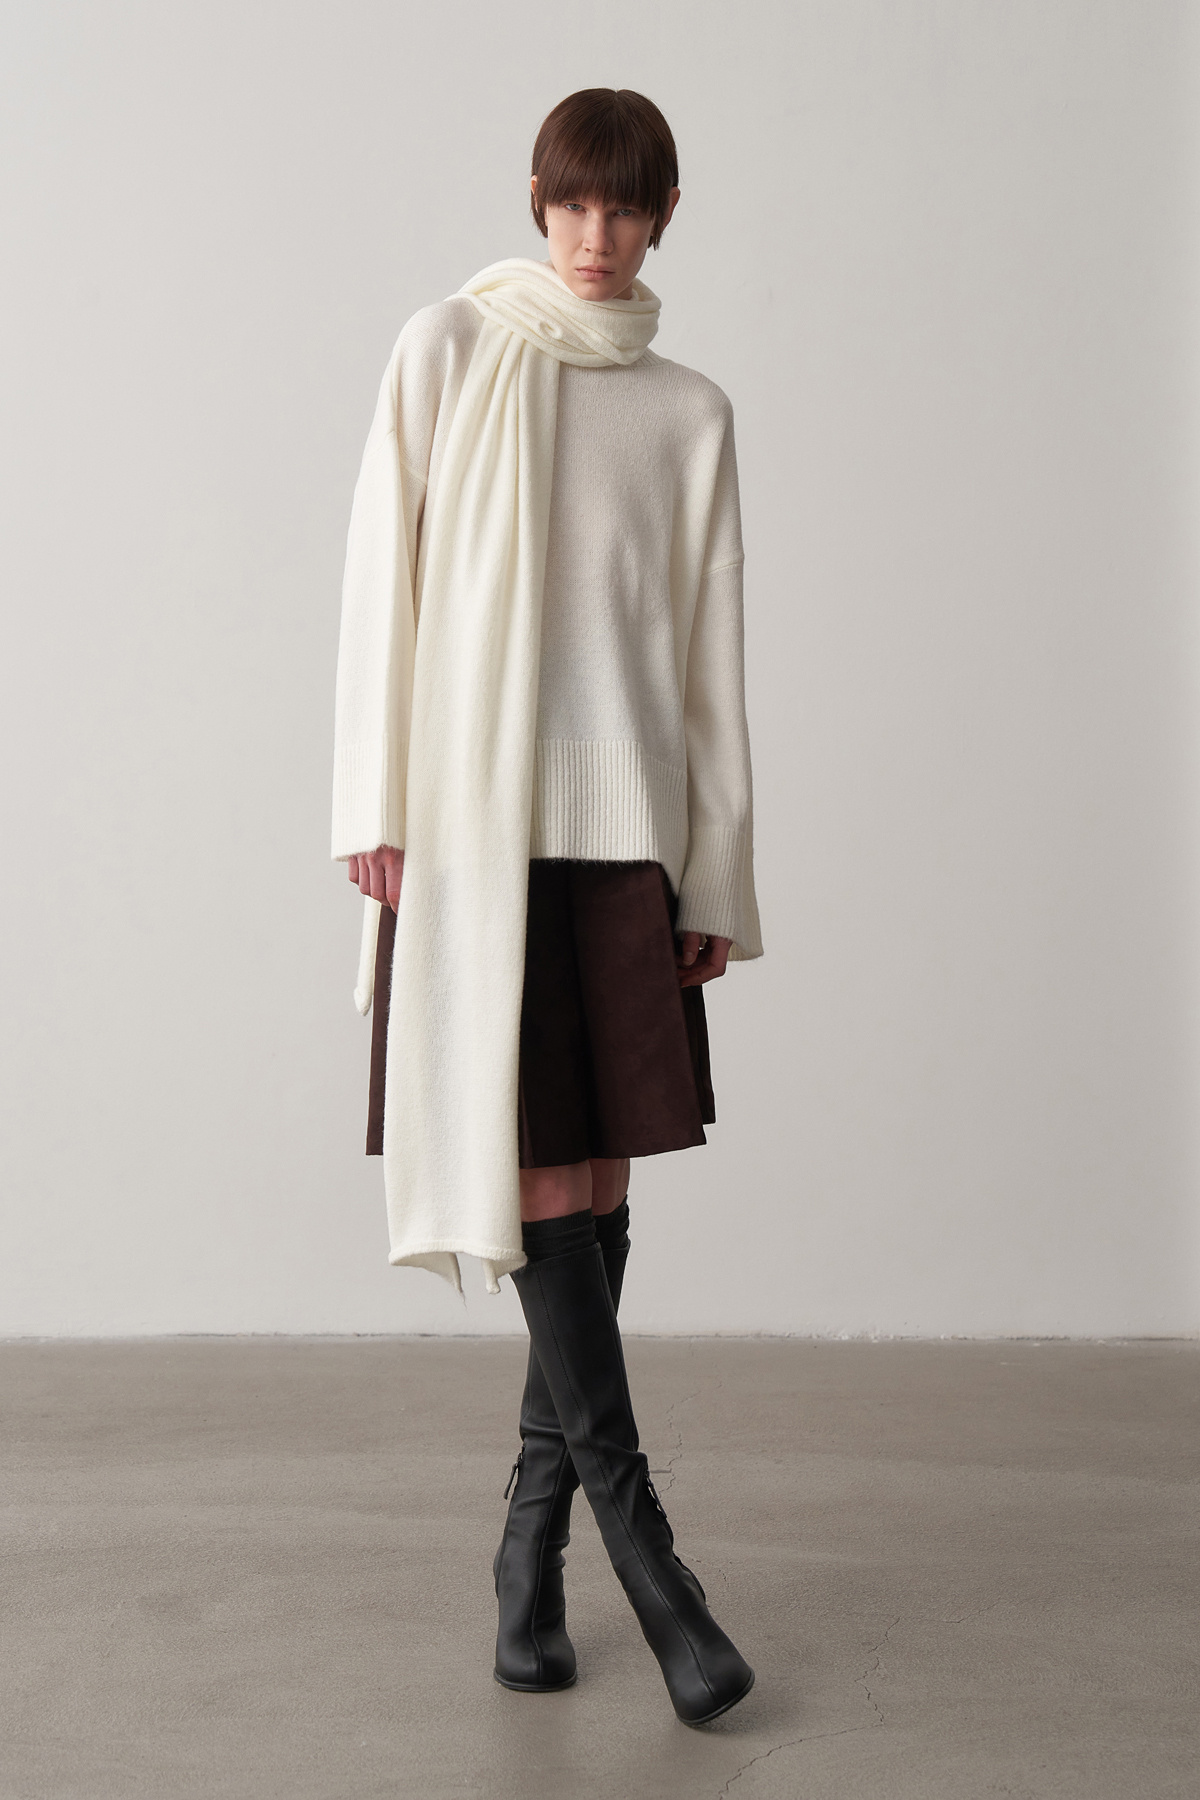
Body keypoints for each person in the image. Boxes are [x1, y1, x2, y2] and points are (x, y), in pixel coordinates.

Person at [332, 87, 763, 1726]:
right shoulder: (449, 349)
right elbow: (381, 578)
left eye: (628, 207)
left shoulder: (690, 411)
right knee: (538, 1183)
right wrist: (372, 803)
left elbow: (708, 667)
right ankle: (656, 1571)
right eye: (576, 204)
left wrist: (713, 870)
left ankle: (530, 1552)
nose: (599, 235)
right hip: (471, 825)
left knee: (590, 1179)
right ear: (537, 201)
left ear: (665, 216)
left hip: (626, 834)